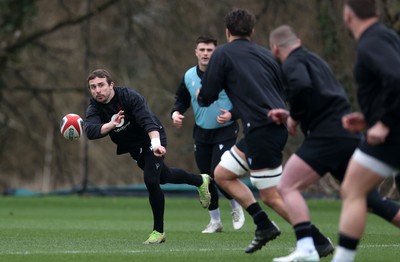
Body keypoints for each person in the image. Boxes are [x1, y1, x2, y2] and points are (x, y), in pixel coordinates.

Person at [197, 8, 332, 255]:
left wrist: (201, 95)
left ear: (227, 32)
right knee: (222, 174)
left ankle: (319, 240)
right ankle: (264, 224)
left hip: (263, 131)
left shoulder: (223, 54)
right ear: (252, 32)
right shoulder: (267, 54)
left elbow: (207, 94)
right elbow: (282, 89)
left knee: (271, 195)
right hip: (265, 129)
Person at [268, 25, 400, 262]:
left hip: (326, 136)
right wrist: (289, 114)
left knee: (287, 186)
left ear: (275, 48)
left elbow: (301, 86)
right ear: (297, 40)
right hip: (344, 132)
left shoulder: (291, 64)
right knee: (369, 198)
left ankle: (307, 248)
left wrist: (294, 118)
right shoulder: (316, 60)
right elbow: (322, 95)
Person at [84, 69, 212, 244]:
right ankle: (200, 180)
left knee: (151, 180)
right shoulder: (94, 107)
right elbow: (91, 131)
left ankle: (158, 232)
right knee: (164, 177)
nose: (97, 90)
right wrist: (110, 125)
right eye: (93, 87)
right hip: (134, 148)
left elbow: (147, 121)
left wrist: (156, 144)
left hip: (152, 138)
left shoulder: (129, 97)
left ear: (111, 85)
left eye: (101, 85)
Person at [332, 1, 400, 261]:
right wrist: (368, 118)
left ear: (348, 15)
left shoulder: (371, 42)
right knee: (353, 189)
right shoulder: (386, 36)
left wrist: (384, 122)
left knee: (353, 189)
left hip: (393, 134)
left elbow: (396, 79)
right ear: (377, 12)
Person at [171, 36, 245, 233]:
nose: (205, 53)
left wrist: (232, 114)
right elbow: (181, 99)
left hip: (226, 131)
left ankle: (235, 205)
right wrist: (176, 113)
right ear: (196, 52)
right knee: (206, 178)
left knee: (218, 173)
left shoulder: (227, 74)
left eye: (209, 50)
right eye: (202, 50)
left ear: (216, 52)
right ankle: (215, 221)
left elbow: (243, 98)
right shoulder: (189, 76)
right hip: (202, 134)